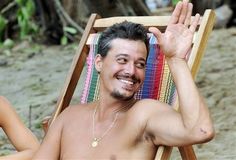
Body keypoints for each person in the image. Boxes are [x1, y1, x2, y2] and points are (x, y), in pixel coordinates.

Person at [33, 0, 214, 159]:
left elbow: (201, 131)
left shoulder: (144, 115)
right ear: (99, 63)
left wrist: (176, 60)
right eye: (122, 60)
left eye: (140, 64)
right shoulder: (69, 118)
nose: (131, 71)